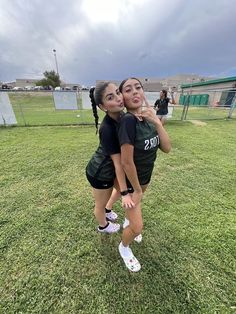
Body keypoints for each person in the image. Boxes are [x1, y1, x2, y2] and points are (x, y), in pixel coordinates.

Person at [117, 78, 171, 272]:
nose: (134, 92)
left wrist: (156, 121)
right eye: (128, 90)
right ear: (121, 97)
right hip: (132, 182)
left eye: (138, 88)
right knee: (137, 227)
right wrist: (137, 189)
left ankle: (127, 220)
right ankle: (124, 248)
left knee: (134, 215)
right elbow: (126, 161)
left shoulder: (148, 118)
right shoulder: (128, 121)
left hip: (145, 177)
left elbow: (166, 148)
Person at [86, 82, 134, 234]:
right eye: (110, 97)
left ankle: (108, 209)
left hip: (108, 170)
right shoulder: (107, 128)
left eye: (118, 93)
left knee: (118, 190)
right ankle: (103, 226)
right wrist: (126, 193)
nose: (119, 98)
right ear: (103, 106)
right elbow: (119, 163)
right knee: (100, 204)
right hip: (100, 173)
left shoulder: (121, 118)